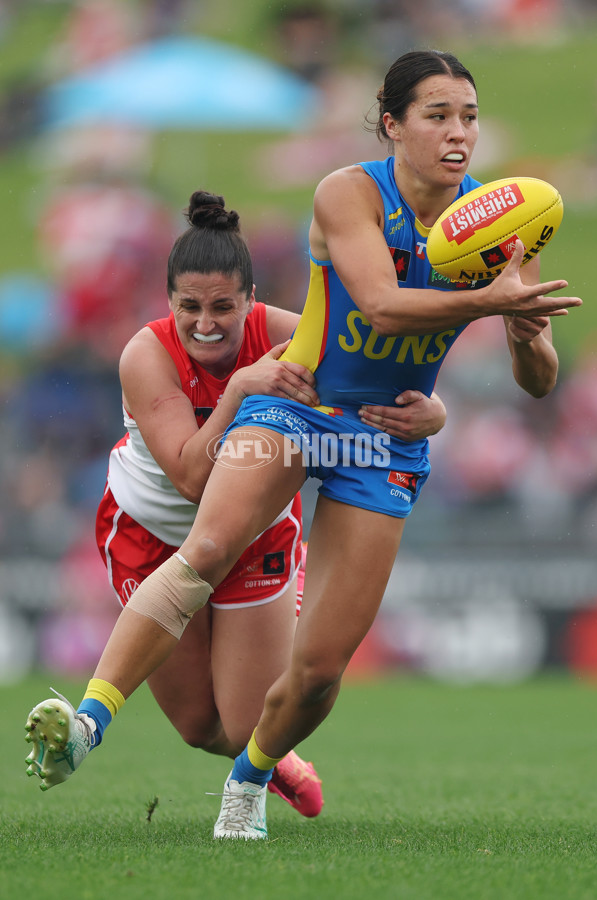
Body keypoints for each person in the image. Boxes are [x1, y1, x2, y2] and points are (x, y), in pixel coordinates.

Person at [24, 189, 448, 818]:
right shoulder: (145, 355)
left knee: (253, 720)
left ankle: (91, 731)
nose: (206, 323)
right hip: (151, 533)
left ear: (251, 299)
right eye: (189, 306)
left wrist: (433, 412)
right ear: (169, 302)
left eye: (223, 306)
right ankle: (285, 767)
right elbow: (194, 479)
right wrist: (241, 389)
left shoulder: (286, 333)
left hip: (253, 534)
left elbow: (373, 386)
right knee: (201, 726)